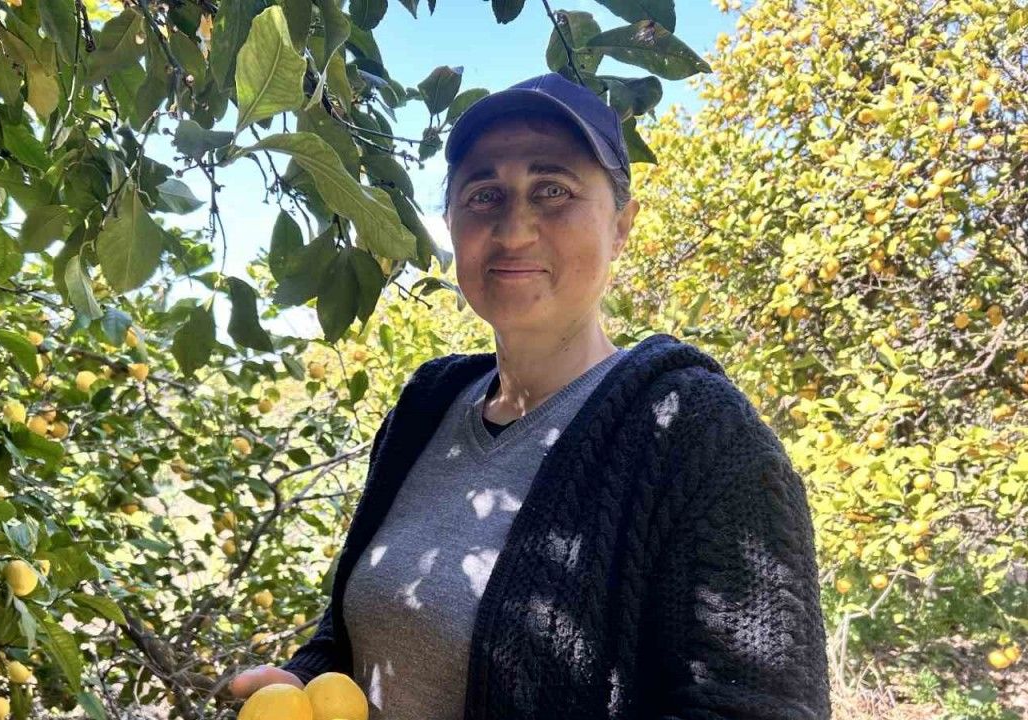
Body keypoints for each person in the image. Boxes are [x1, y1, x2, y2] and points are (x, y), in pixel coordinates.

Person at [227, 73, 831, 719]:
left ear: (622, 225)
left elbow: (759, 707)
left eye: (553, 190)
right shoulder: (427, 407)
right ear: (451, 224)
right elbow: (356, 638)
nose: (514, 231)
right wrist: (307, 680)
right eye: (483, 195)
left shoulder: (697, 434)